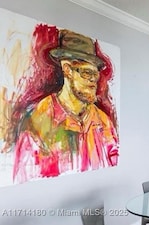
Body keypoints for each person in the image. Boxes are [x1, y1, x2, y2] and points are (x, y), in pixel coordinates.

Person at [11, 29, 119, 183]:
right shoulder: (38, 122)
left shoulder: (103, 122)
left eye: (95, 75)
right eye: (87, 73)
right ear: (67, 70)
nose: (93, 81)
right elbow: (25, 181)